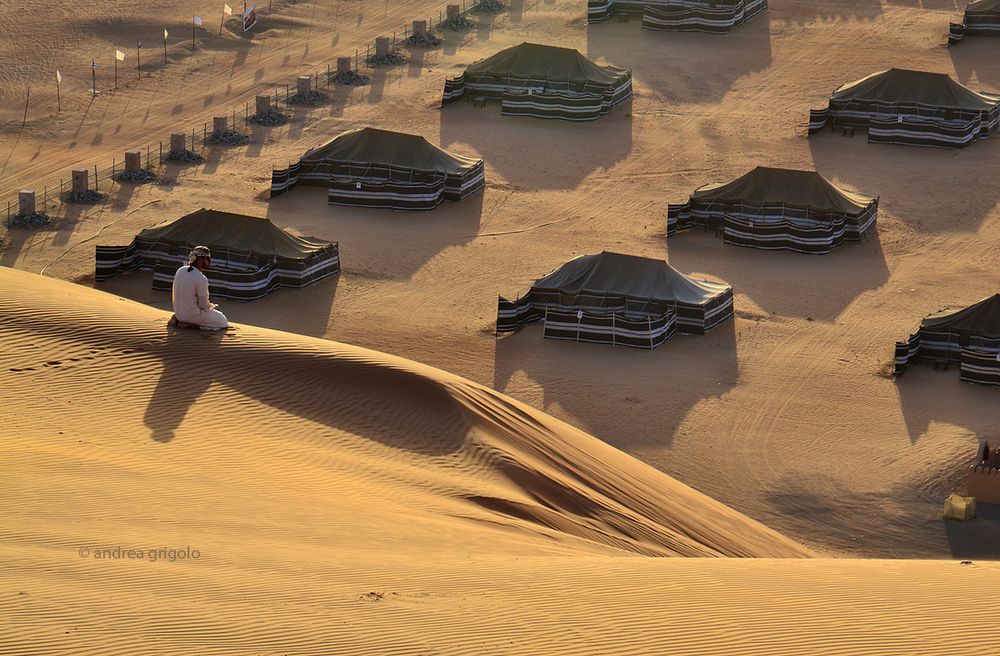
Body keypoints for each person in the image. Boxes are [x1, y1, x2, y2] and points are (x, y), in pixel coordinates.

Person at [168, 246, 229, 330]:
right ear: (200, 260)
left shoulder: (180, 270)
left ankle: (180, 320)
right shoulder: (201, 279)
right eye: (207, 259)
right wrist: (211, 306)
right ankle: (190, 325)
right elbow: (203, 305)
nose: (210, 261)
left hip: (178, 314)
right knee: (223, 321)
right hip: (192, 315)